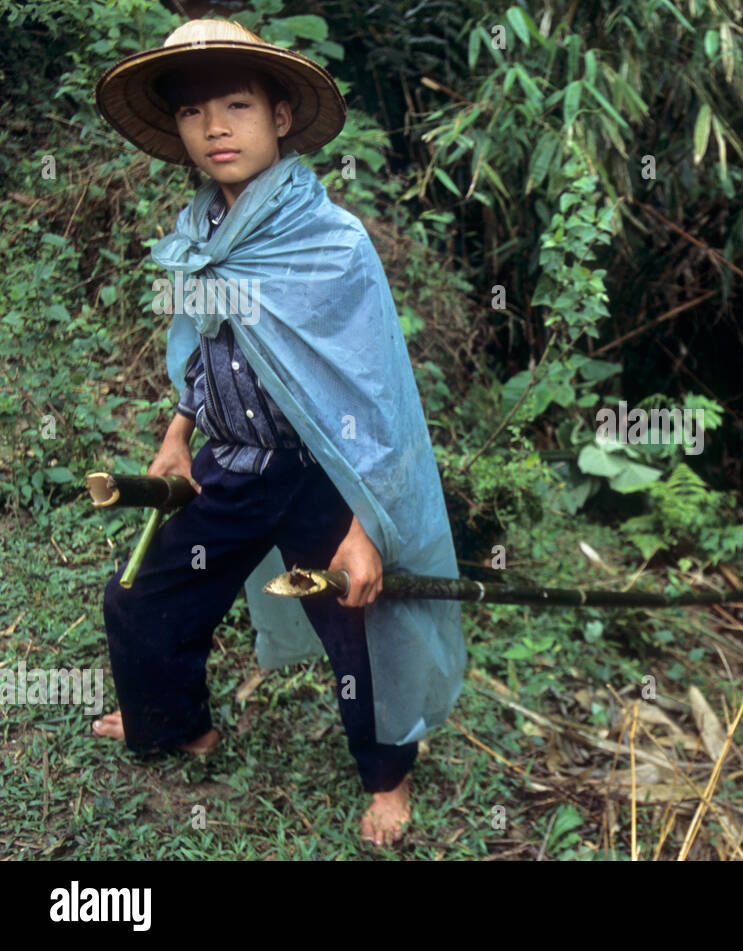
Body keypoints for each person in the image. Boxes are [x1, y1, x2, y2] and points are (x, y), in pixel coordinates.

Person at [91, 18, 465, 847]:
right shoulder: (205, 236)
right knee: (140, 592)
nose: (214, 127)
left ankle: (389, 774)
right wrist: (179, 433)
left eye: (235, 103)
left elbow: (379, 402)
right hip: (233, 461)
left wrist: (366, 528)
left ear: (281, 115)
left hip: (320, 474)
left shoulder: (332, 244)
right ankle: (176, 722)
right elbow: (209, 349)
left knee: (363, 627)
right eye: (192, 111)